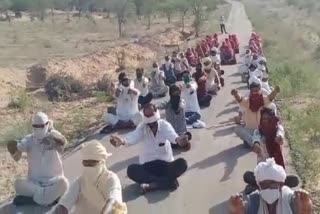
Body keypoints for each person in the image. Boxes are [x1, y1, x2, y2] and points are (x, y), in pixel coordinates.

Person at [109, 104, 190, 194]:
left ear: (156, 113)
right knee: (131, 170)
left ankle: (151, 185)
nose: (150, 119)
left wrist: (179, 140)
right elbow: (133, 136)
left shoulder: (164, 125)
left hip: (166, 165)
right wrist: (122, 141)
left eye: (151, 115)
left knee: (182, 163)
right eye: (147, 116)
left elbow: (173, 136)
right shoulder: (142, 127)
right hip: (148, 167)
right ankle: (166, 183)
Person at [7, 112, 68, 206]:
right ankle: (47, 198)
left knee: (64, 183)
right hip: (35, 183)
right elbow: (16, 153)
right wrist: (14, 147)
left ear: (47, 124)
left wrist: (53, 136)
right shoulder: (29, 139)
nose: (39, 128)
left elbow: (63, 142)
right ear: (32, 126)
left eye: (41, 126)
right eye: (36, 126)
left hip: (53, 181)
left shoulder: (53, 135)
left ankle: (37, 198)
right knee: (18, 184)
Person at [53, 140, 127, 214]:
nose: (89, 167)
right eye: (86, 163)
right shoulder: (79, 182)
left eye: (92, 163)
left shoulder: (111, 179)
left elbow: (113, 202)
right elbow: (64, 205)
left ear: (102, 161)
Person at [230, 158, 313, 214]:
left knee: (294, 180)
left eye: (273, 184)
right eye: (264, 185)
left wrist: (304, 208)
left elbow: (294, 201)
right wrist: (238, 209)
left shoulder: (290, 199)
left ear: (281, 186)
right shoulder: (254, 200)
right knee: (248, 177)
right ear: (259, 186)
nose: (268, 188)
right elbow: (247, 205)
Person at [231, 77, 280, 146]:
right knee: (237, 129)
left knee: (268, 135)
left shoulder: (263, 100)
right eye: (253, 91)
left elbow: (270, 98)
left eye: (256, 90)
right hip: (250, 130)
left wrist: (275, 91)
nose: (255, 92)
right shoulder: (247, 101)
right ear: (250, 91)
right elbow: (240, 100)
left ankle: (253, 142)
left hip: (261, 131)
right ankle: (254, 143)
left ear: (260, 90)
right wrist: (235, 94)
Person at [157, 85, 192, 149]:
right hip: (171, 133)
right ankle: (180, 142)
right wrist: (154, 107)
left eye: (178, 94)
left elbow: (182, 105)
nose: (177, 96)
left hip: (181, 132)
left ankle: (181, 141)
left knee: (188, 135)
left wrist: (178, 107)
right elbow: (160, 105)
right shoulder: (167, 104)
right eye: (175, 94)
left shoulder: (182, 102)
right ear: (171, 94)